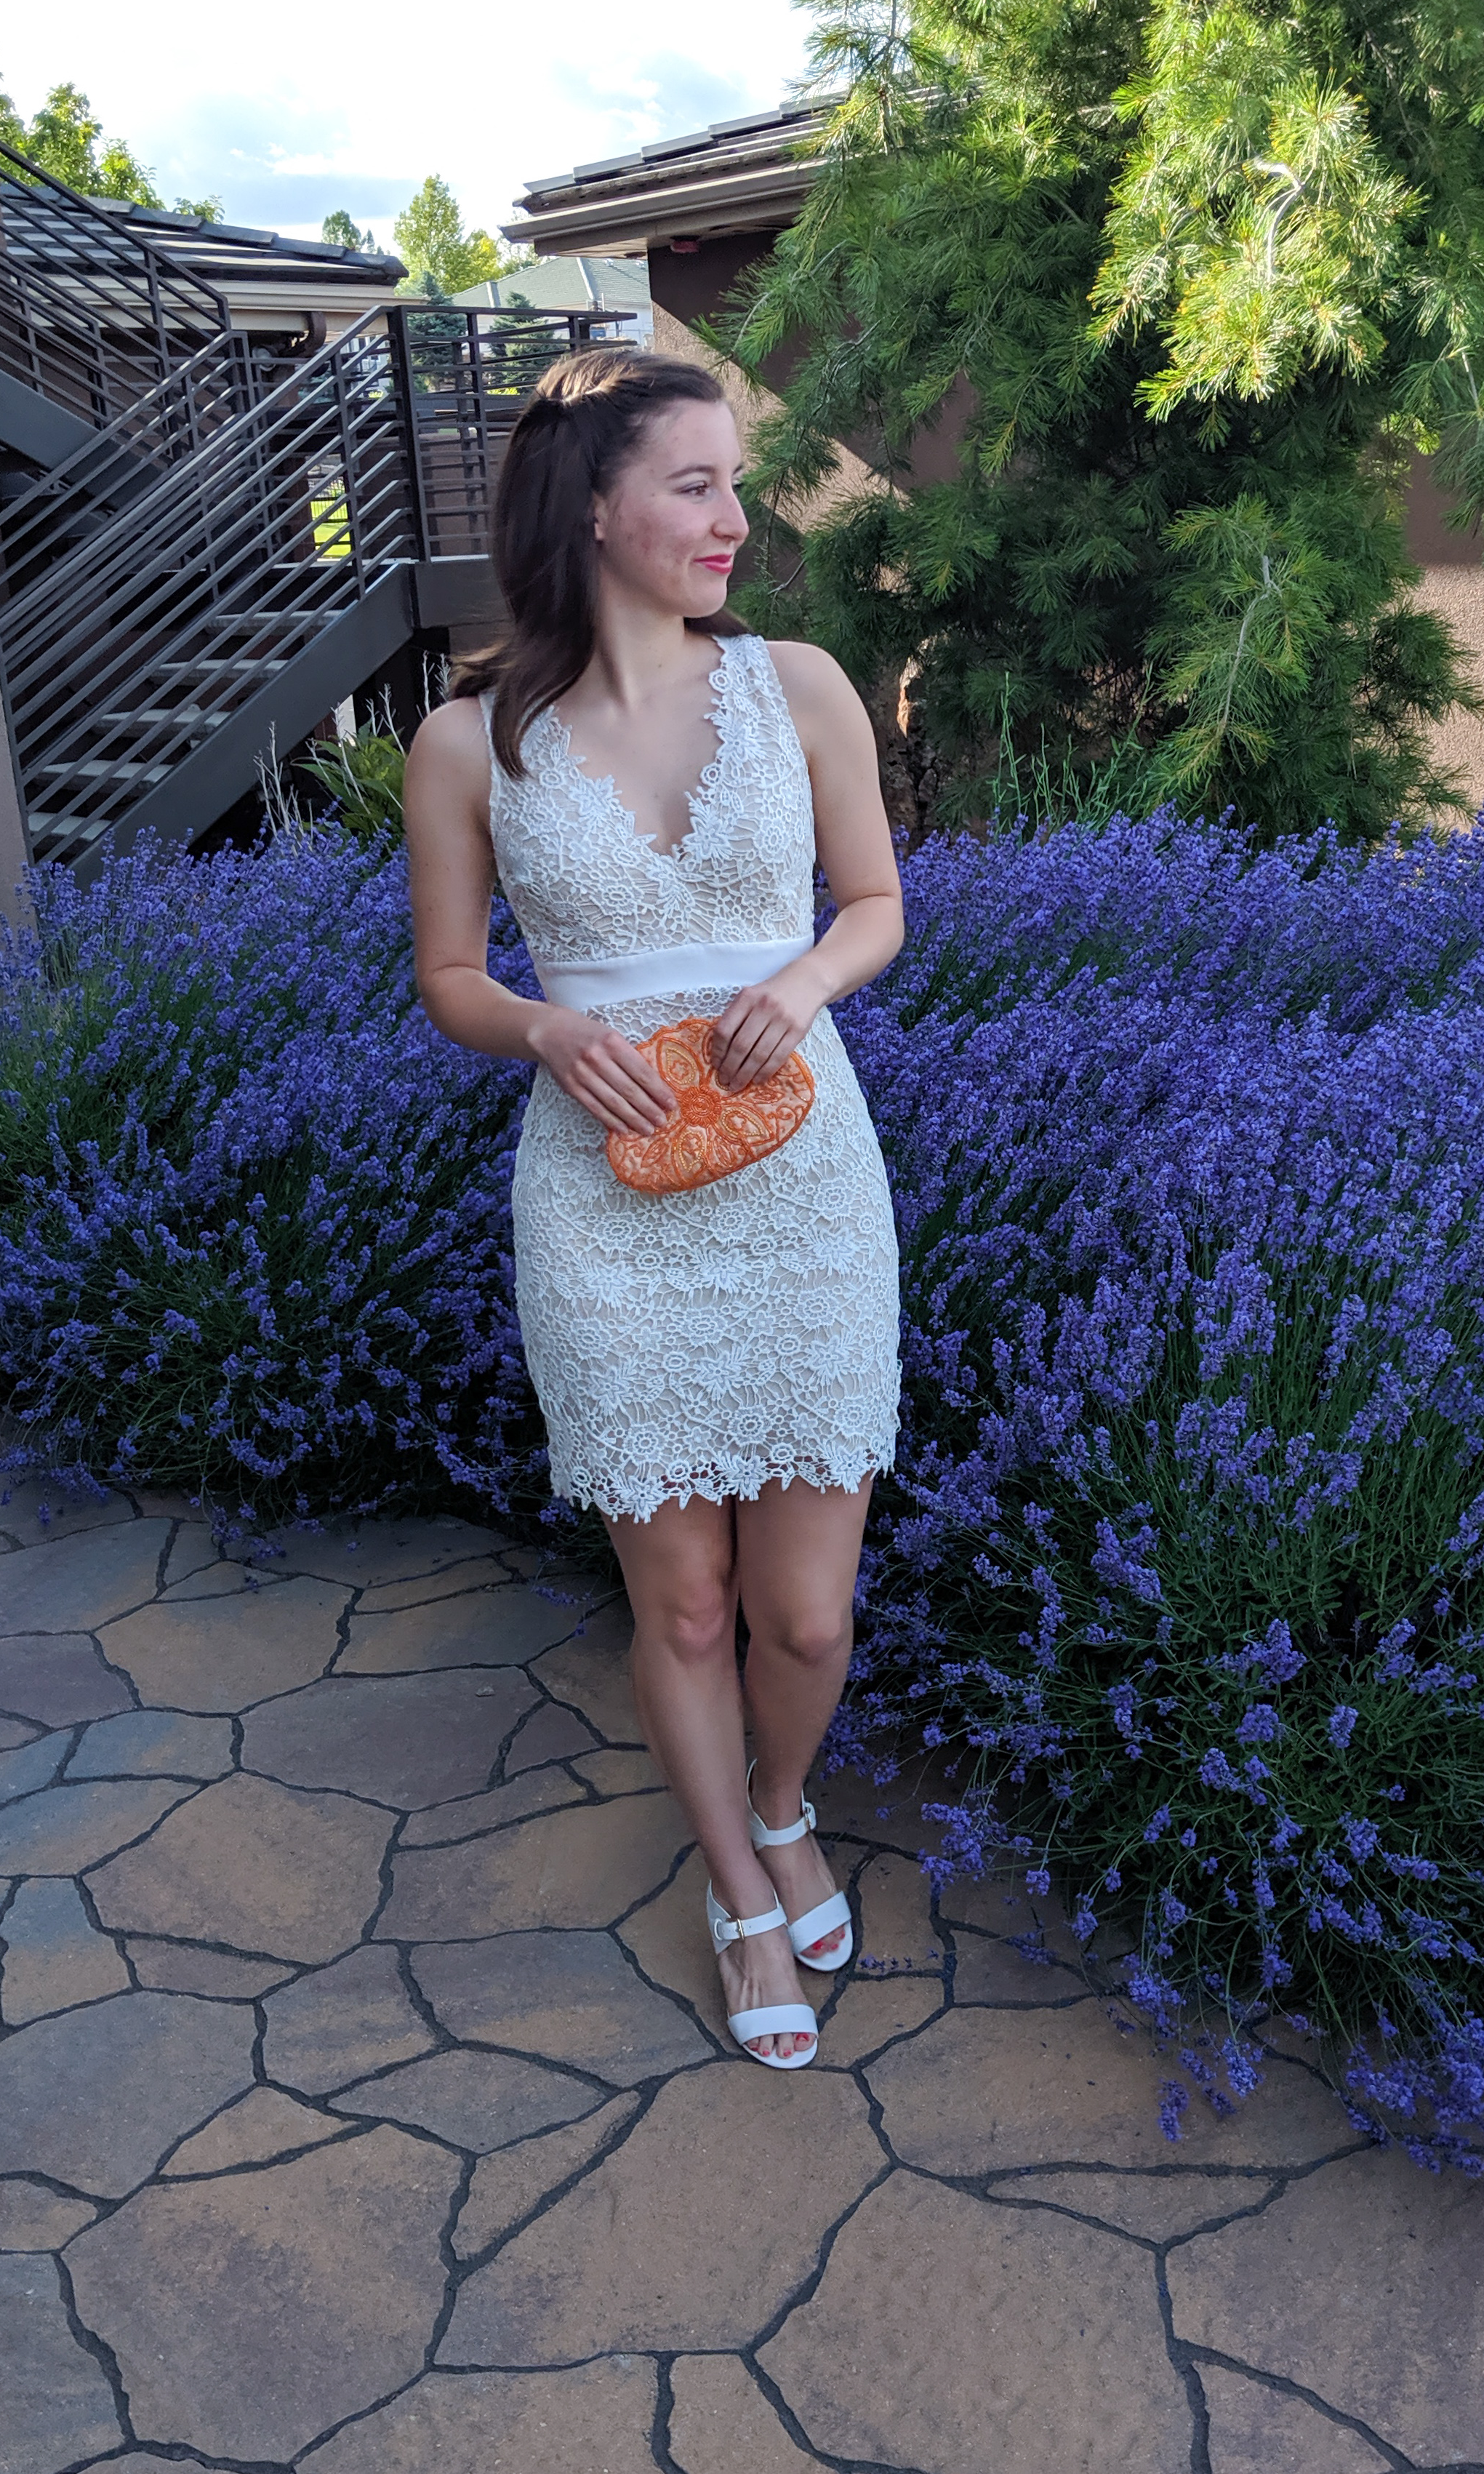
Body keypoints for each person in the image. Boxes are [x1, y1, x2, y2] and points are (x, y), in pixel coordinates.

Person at [402, 350, 903, 2070]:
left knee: (807, 1612)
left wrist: (813, 982)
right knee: (682, 1603)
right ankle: (738, 1883)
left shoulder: (803, 685)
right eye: (694, 485)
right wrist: (545, 1024)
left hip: (806, 1183)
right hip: (603, 1203)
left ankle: (780, 1796)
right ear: (595, 507)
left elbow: (876, 904)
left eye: (733, 484)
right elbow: (454, 978)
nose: (733, 518)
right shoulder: (471, 742)